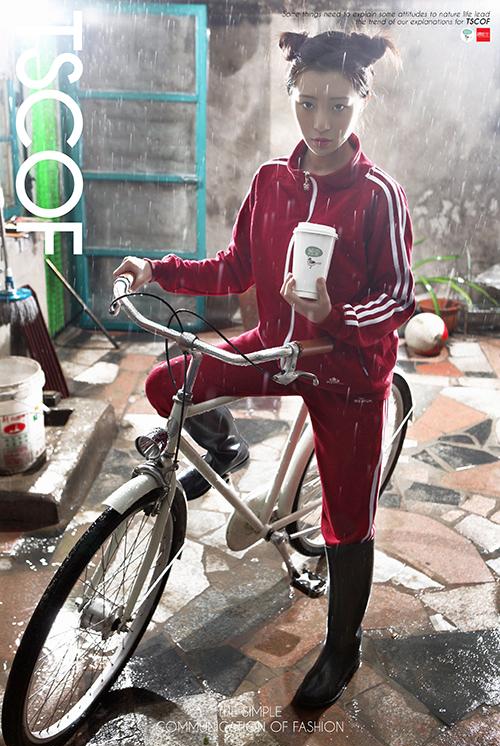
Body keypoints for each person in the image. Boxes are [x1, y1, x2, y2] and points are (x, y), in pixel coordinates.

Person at [113, 29, 415, 709]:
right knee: (168, 382)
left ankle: (343, 648)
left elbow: (399, 298)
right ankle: (225, 448)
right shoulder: (271, 183)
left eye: (338, 105)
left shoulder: (378, 196)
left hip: (346, 374)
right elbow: (235, 267)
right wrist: (156, 269)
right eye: (308, 103)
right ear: (292, 98)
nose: (321, 121)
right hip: (277, 349)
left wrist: (336, 313)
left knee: (347, 519)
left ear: (362, 103)